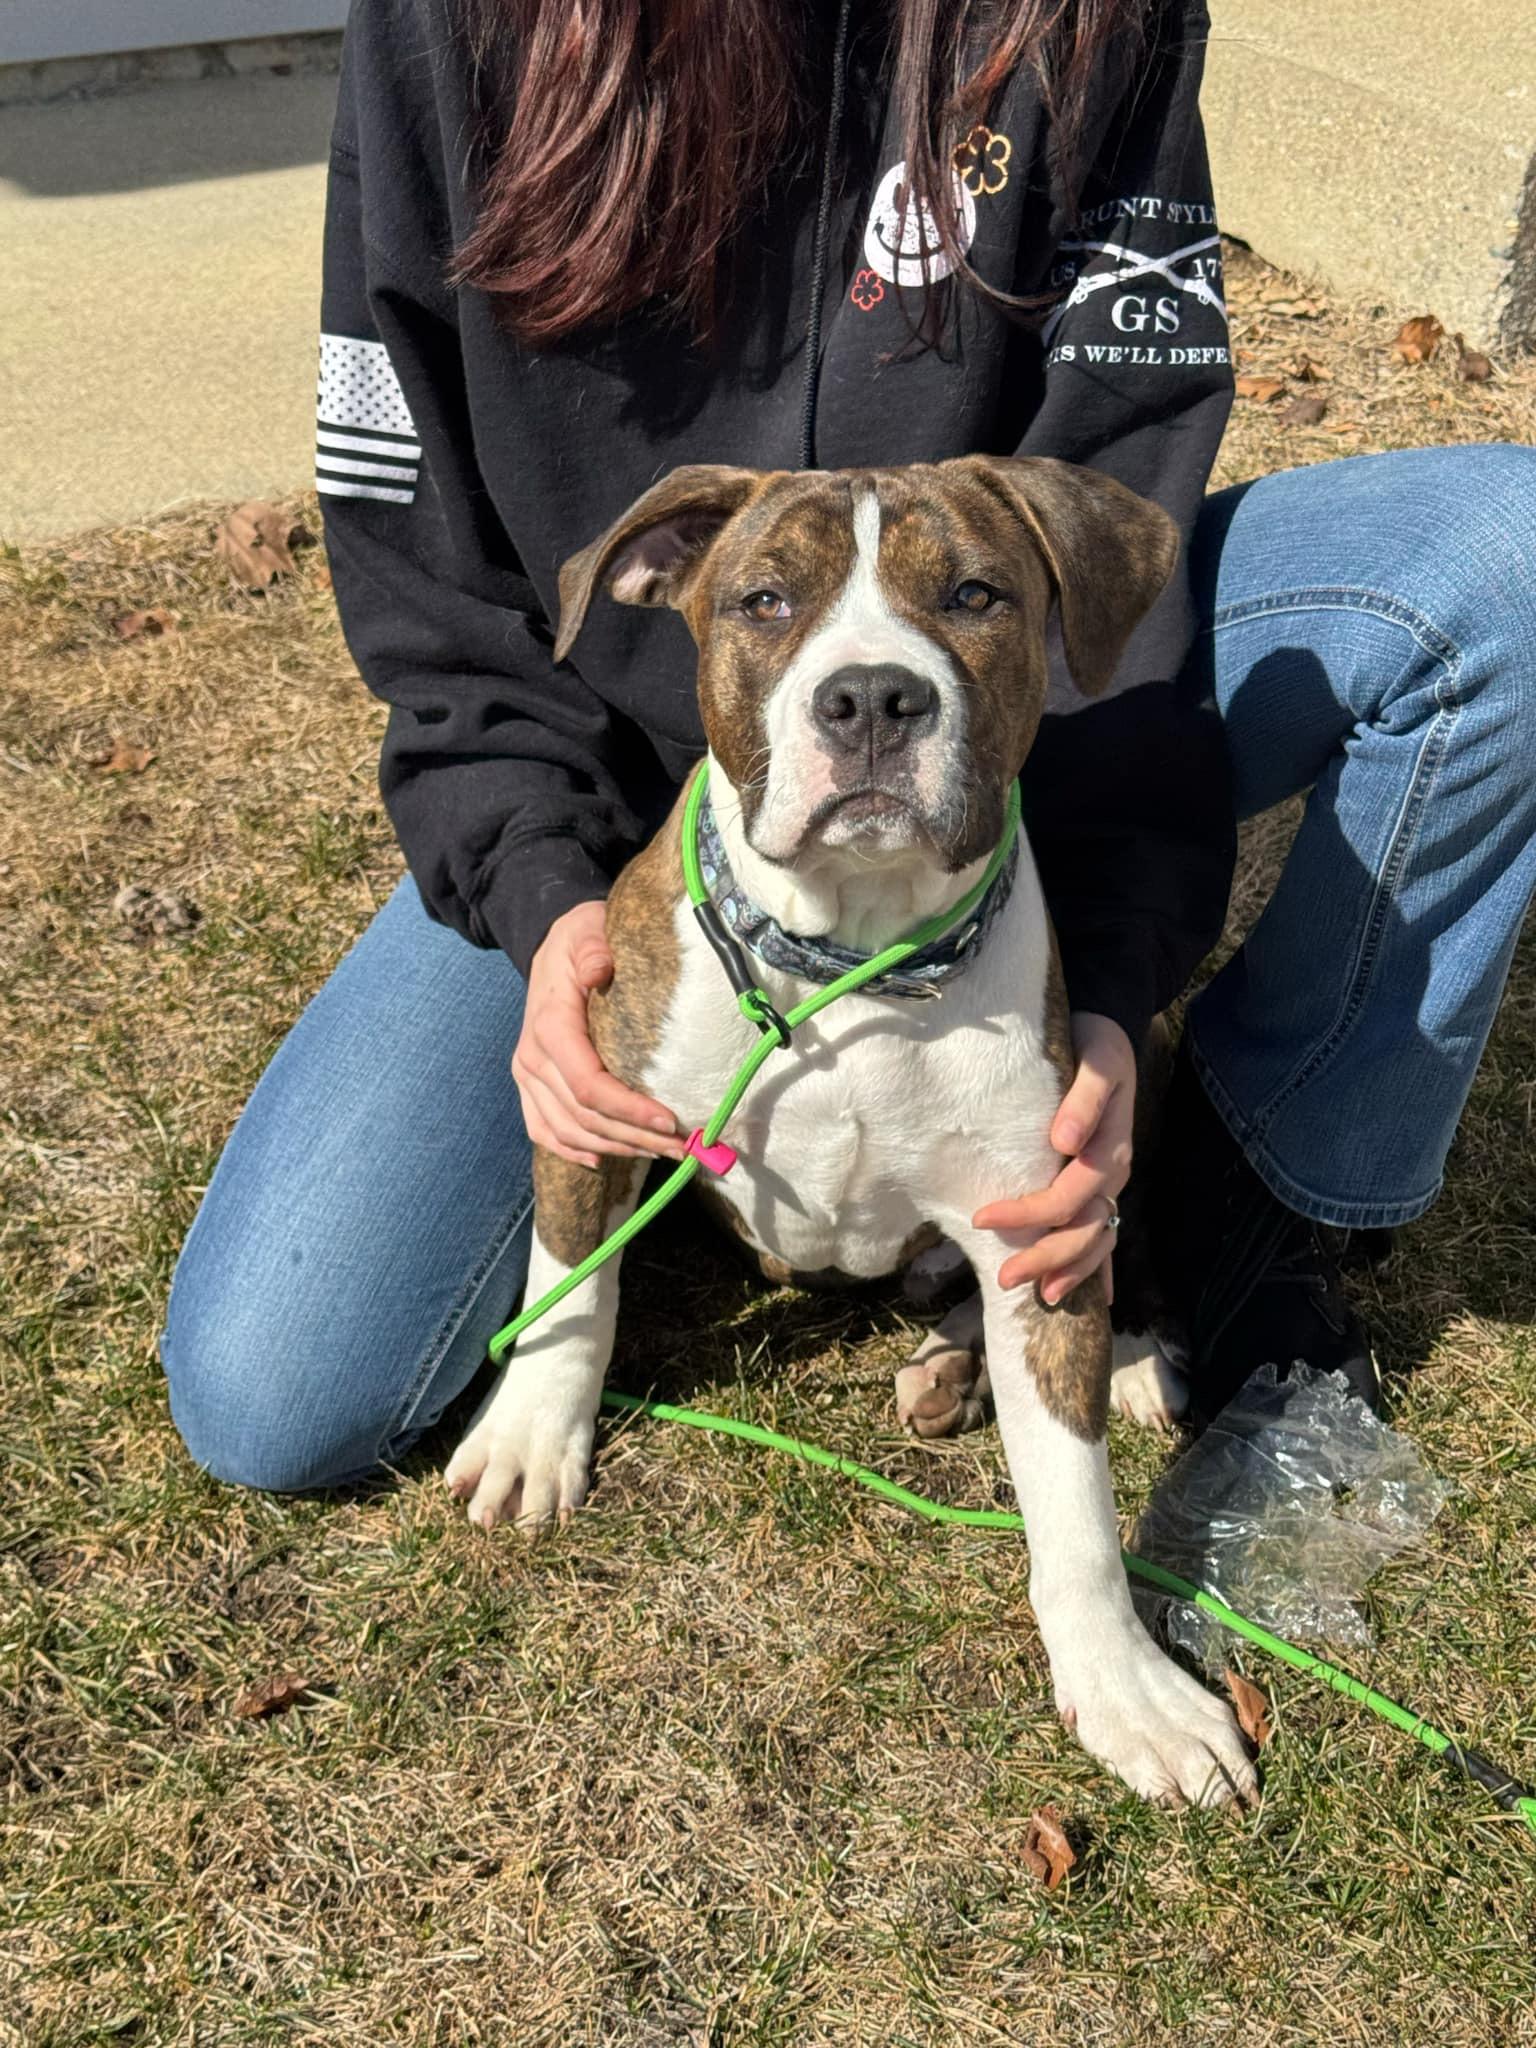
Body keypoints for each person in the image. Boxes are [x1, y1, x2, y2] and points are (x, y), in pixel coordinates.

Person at [161, 0, 1536, 1491]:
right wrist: (540, 891)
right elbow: (428, 580)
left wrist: (1098, 986)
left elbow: (1123, 456)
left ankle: (1257, 1176)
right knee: (278, 1390)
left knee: (1505, 562)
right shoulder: (457, 23)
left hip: (1017, 668)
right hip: (622, 769)